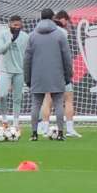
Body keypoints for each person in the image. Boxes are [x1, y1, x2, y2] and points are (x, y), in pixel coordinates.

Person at [24, 9, 73, 141]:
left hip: (37, 75)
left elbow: (27, 59)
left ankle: (34, 134)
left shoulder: (32, 35)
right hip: (56, 74)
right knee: (58, 104)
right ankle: (60, 133)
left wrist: (27, 78)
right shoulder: (60, 34)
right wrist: (68, 75)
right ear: (53, 18)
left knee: (36, 104)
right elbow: (66, 57)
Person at [38, 11, 82, 138]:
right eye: (66, 21)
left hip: (46, 69)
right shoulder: (62, 33)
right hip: (60, 69)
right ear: (61, 19)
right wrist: (69, 69)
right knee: (68, 99)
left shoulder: (38, 32)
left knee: (47, 99)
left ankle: (44, 129)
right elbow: (65, 53)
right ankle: (69, 129)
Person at [0, 15, 29, 128]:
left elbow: (28, 53)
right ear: (10, 24)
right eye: (15, 25)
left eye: (19, 25)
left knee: (17, 98)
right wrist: (11, 40)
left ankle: (15, 123)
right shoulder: (3, 34)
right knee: (2, 95)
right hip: (5, 70)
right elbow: (0, 50)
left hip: (19, 71)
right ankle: (4, 119)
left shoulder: (25, 37)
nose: (17, 27)